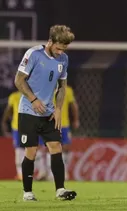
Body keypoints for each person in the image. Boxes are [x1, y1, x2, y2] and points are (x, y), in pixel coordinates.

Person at [14, 25, 76, 201]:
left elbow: (62, 87)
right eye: (58, 48)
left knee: (56, 147)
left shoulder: (63, 59)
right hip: (28, 110)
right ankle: (27, 193)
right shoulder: (33, 54)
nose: (60, 52)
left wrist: (58, 109)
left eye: (63, 49)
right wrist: (33, 99)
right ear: (50, 42)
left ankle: (60, 190)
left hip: (48, 112)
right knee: (31, 151)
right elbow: (19, 80)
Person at [2, 91, 24, 180]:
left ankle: (32, 172)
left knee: (32, 149)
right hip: (17, 127)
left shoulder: (33, 95)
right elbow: (9, 110)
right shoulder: (14, 96)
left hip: (31, 126)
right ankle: (20, 174)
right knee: (19, 150)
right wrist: (4, 121)